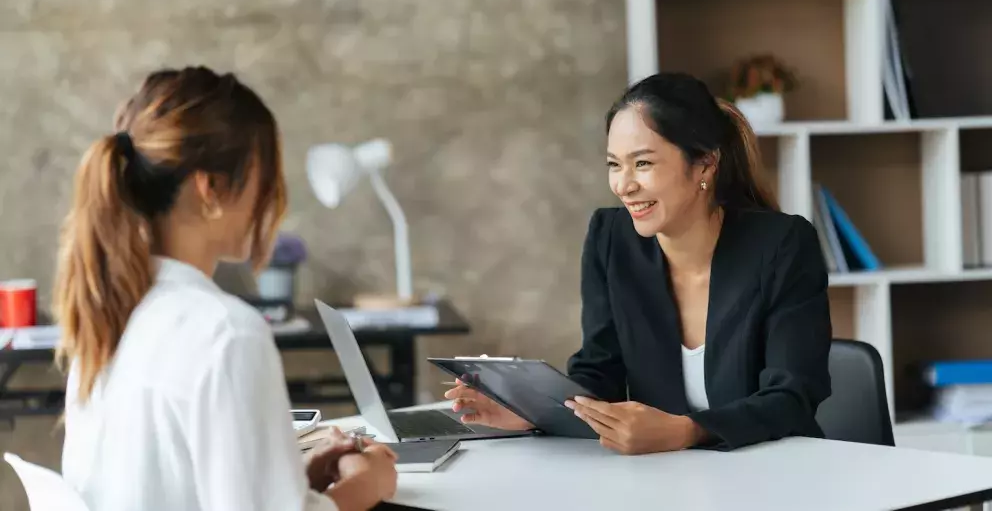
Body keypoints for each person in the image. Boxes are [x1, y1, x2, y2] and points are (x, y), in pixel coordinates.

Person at [53, 66, 398, 511]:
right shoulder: (225, 333)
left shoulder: (107, 319)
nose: (271, 199)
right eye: (265, 180)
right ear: (211, 187)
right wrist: (367, 484)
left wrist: (290, 483)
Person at [446, 72, 832, 454]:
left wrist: (688, 431)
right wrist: (529, 411)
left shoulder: (782, 245)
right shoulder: (610, 238)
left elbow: (792, 395)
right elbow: (600, 373)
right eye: (614, 165)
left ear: (704, 165)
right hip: (669, 479)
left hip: (776, 471)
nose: (623, 185)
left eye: (642, 164)